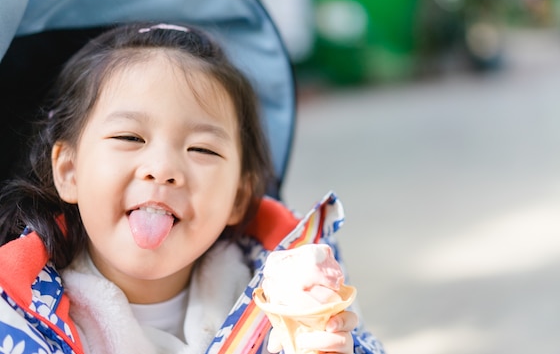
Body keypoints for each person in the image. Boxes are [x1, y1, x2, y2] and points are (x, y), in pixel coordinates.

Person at [0, 22, 385, 354]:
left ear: (238, 194)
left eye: (201, 148)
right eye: (130, 137)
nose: (163, 170)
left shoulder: (290, 284)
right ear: (69, 171)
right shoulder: (18, 311)